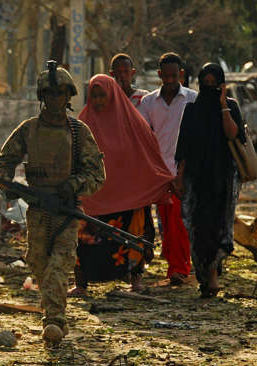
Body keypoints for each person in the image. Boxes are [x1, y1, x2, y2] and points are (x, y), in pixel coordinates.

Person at [0, 62, 106, 347]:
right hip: (38, 210)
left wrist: (72, 185)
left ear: (68, 96)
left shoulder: (79, 132)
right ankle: (53, 308)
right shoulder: (28, 129)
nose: (55, 99)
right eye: (50, 93)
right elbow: (5, 160)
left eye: (60, 93)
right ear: (42, 96)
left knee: (61, 263)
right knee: (38, 261)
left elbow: (96, 174)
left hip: (66, 210)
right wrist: (7, 183)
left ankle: (54, 320)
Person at [67, 74, 174, 295]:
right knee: (84, 240)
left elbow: (149, 155)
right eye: (93, 96)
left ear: (113, 95)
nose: (97, 101)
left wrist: (160, 181)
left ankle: (135, 280)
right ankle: (81, 284)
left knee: (134, 237)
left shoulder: (133, 122)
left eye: (102, 96)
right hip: (94, 197)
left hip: (129, 196)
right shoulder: (82, 124)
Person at [175, 63, 244, 298]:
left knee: (219, 227)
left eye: (216, 85)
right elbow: (183, 148)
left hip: (223, 179)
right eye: (207, 85)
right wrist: (180, 178)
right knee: (197, 228)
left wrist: (223, 105)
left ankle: (212, 276)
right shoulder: (192, 110)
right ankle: (205, 276)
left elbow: (233, 134)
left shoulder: (231, 107)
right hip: (197, 180)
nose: (211, 88)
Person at [138, 52, 197, 285]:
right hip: (158, 172)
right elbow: (143, 135)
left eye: (175, 75)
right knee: (165, 222)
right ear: (159, 75)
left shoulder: (192, 99)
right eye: (166, 76)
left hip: (184, 171)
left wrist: (184, 171)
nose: (171, 80)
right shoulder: (149, 102)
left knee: (180, 222)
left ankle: (179, 268)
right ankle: (174, 265)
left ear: (181, 74)